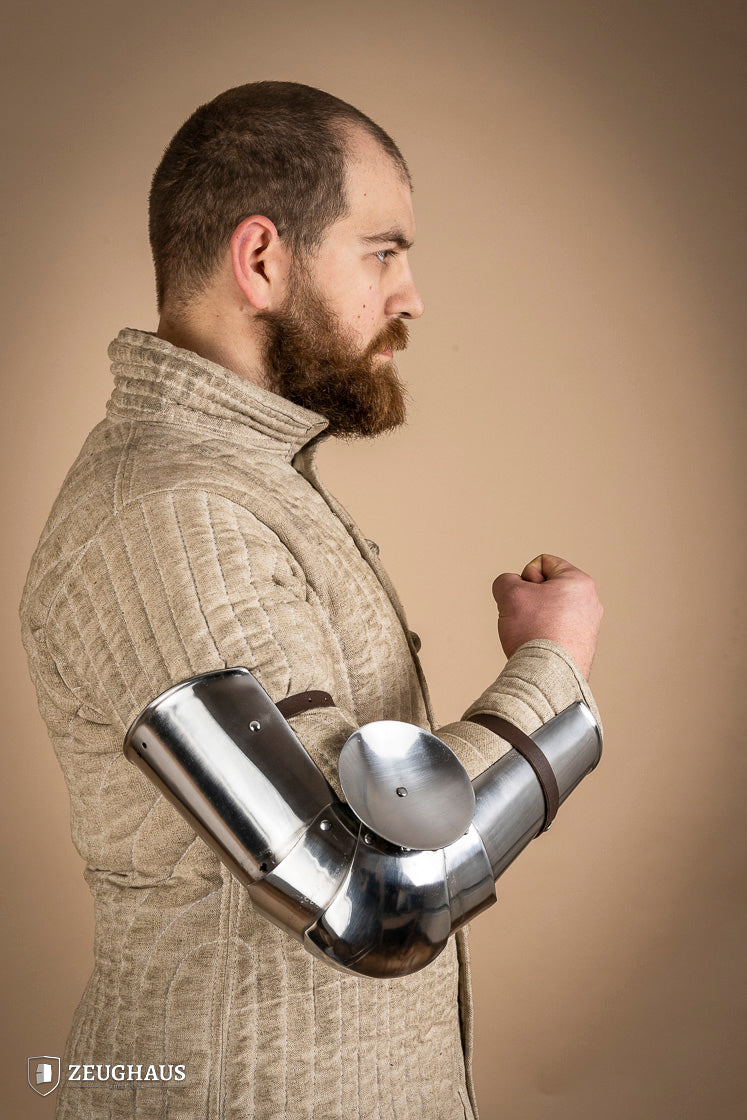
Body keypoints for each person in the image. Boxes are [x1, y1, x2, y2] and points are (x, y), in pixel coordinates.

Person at [20, 81, 603, 1119]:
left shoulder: (240, 483)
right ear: (261, 259)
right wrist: (550, 673)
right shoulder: (176, 515)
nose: (414, 294)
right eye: (383, 251)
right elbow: (372, 889)